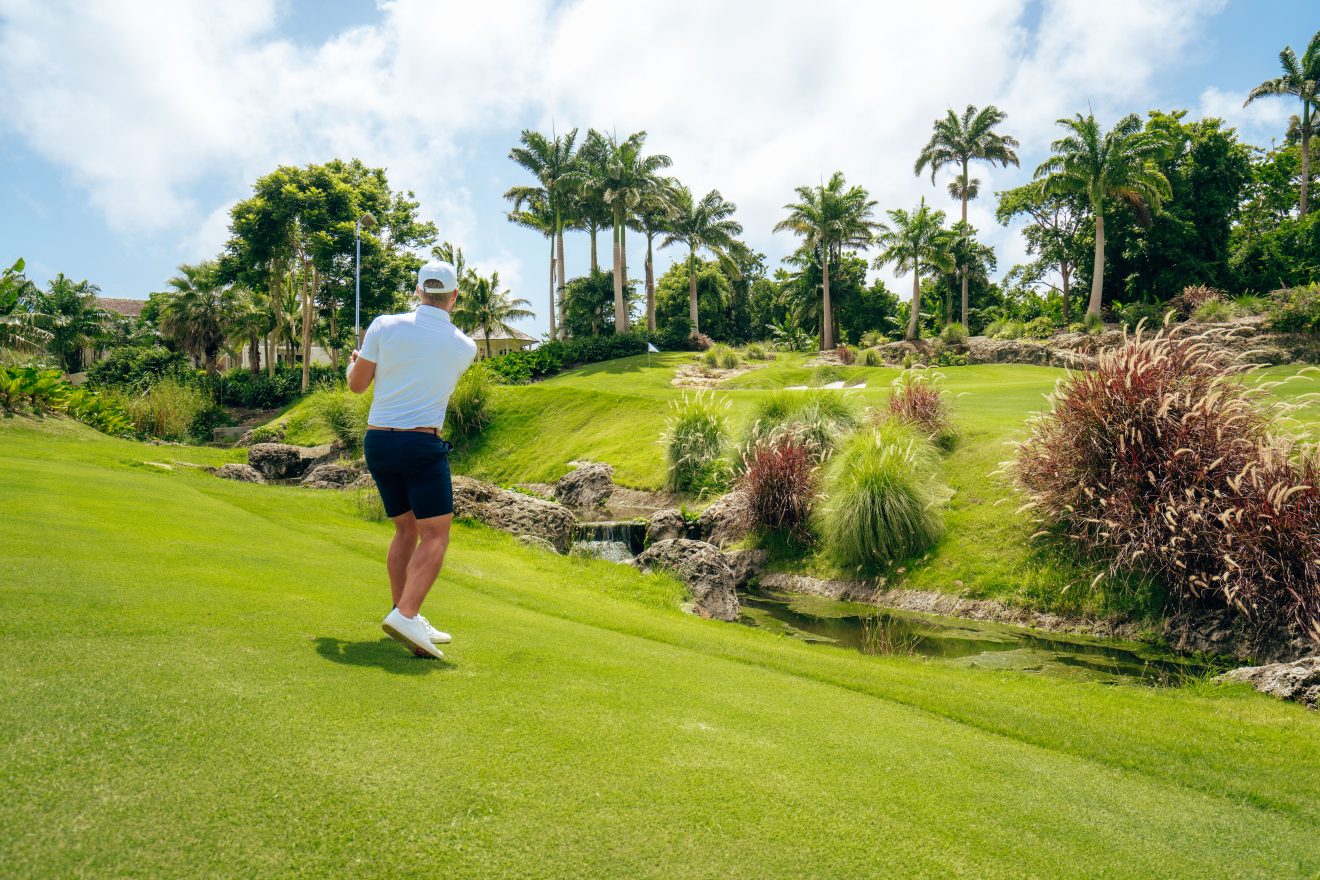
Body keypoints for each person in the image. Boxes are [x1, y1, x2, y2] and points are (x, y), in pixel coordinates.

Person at [347, 260, 477, 659]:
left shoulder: (384, 325)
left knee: (405, 530)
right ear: (454, 296)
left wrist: (356, 362)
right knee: (435, 534)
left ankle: (402, 614)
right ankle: (407, 613)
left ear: (418, 291)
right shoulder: (464, 346)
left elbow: (357, 385)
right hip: (420, 446)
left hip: (378, 444)